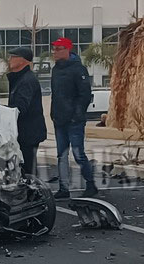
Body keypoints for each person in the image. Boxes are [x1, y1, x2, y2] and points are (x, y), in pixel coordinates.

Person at [50, 37, 95, 199]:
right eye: (54, 49)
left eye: (58, 48)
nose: (54, 52)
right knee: (61, 155)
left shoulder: (78, 69)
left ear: (67, 49)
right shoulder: (55, 70)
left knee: (78, 154)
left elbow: (84, 95)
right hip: (59, 119)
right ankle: (64, 188)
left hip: (74, 121)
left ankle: (90, 183)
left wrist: (77, 115)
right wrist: (54, 113)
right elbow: (56, 94)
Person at [6, 47, 46, 175]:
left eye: (13, 56)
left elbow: (20, 108)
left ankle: (35, 192)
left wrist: (4, 114)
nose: (9, 60)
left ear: (23, 61)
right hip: (24, 132)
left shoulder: (26, 80)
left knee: (29, 169)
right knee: (26, 167)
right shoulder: (19, 79)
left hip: (29, 133)